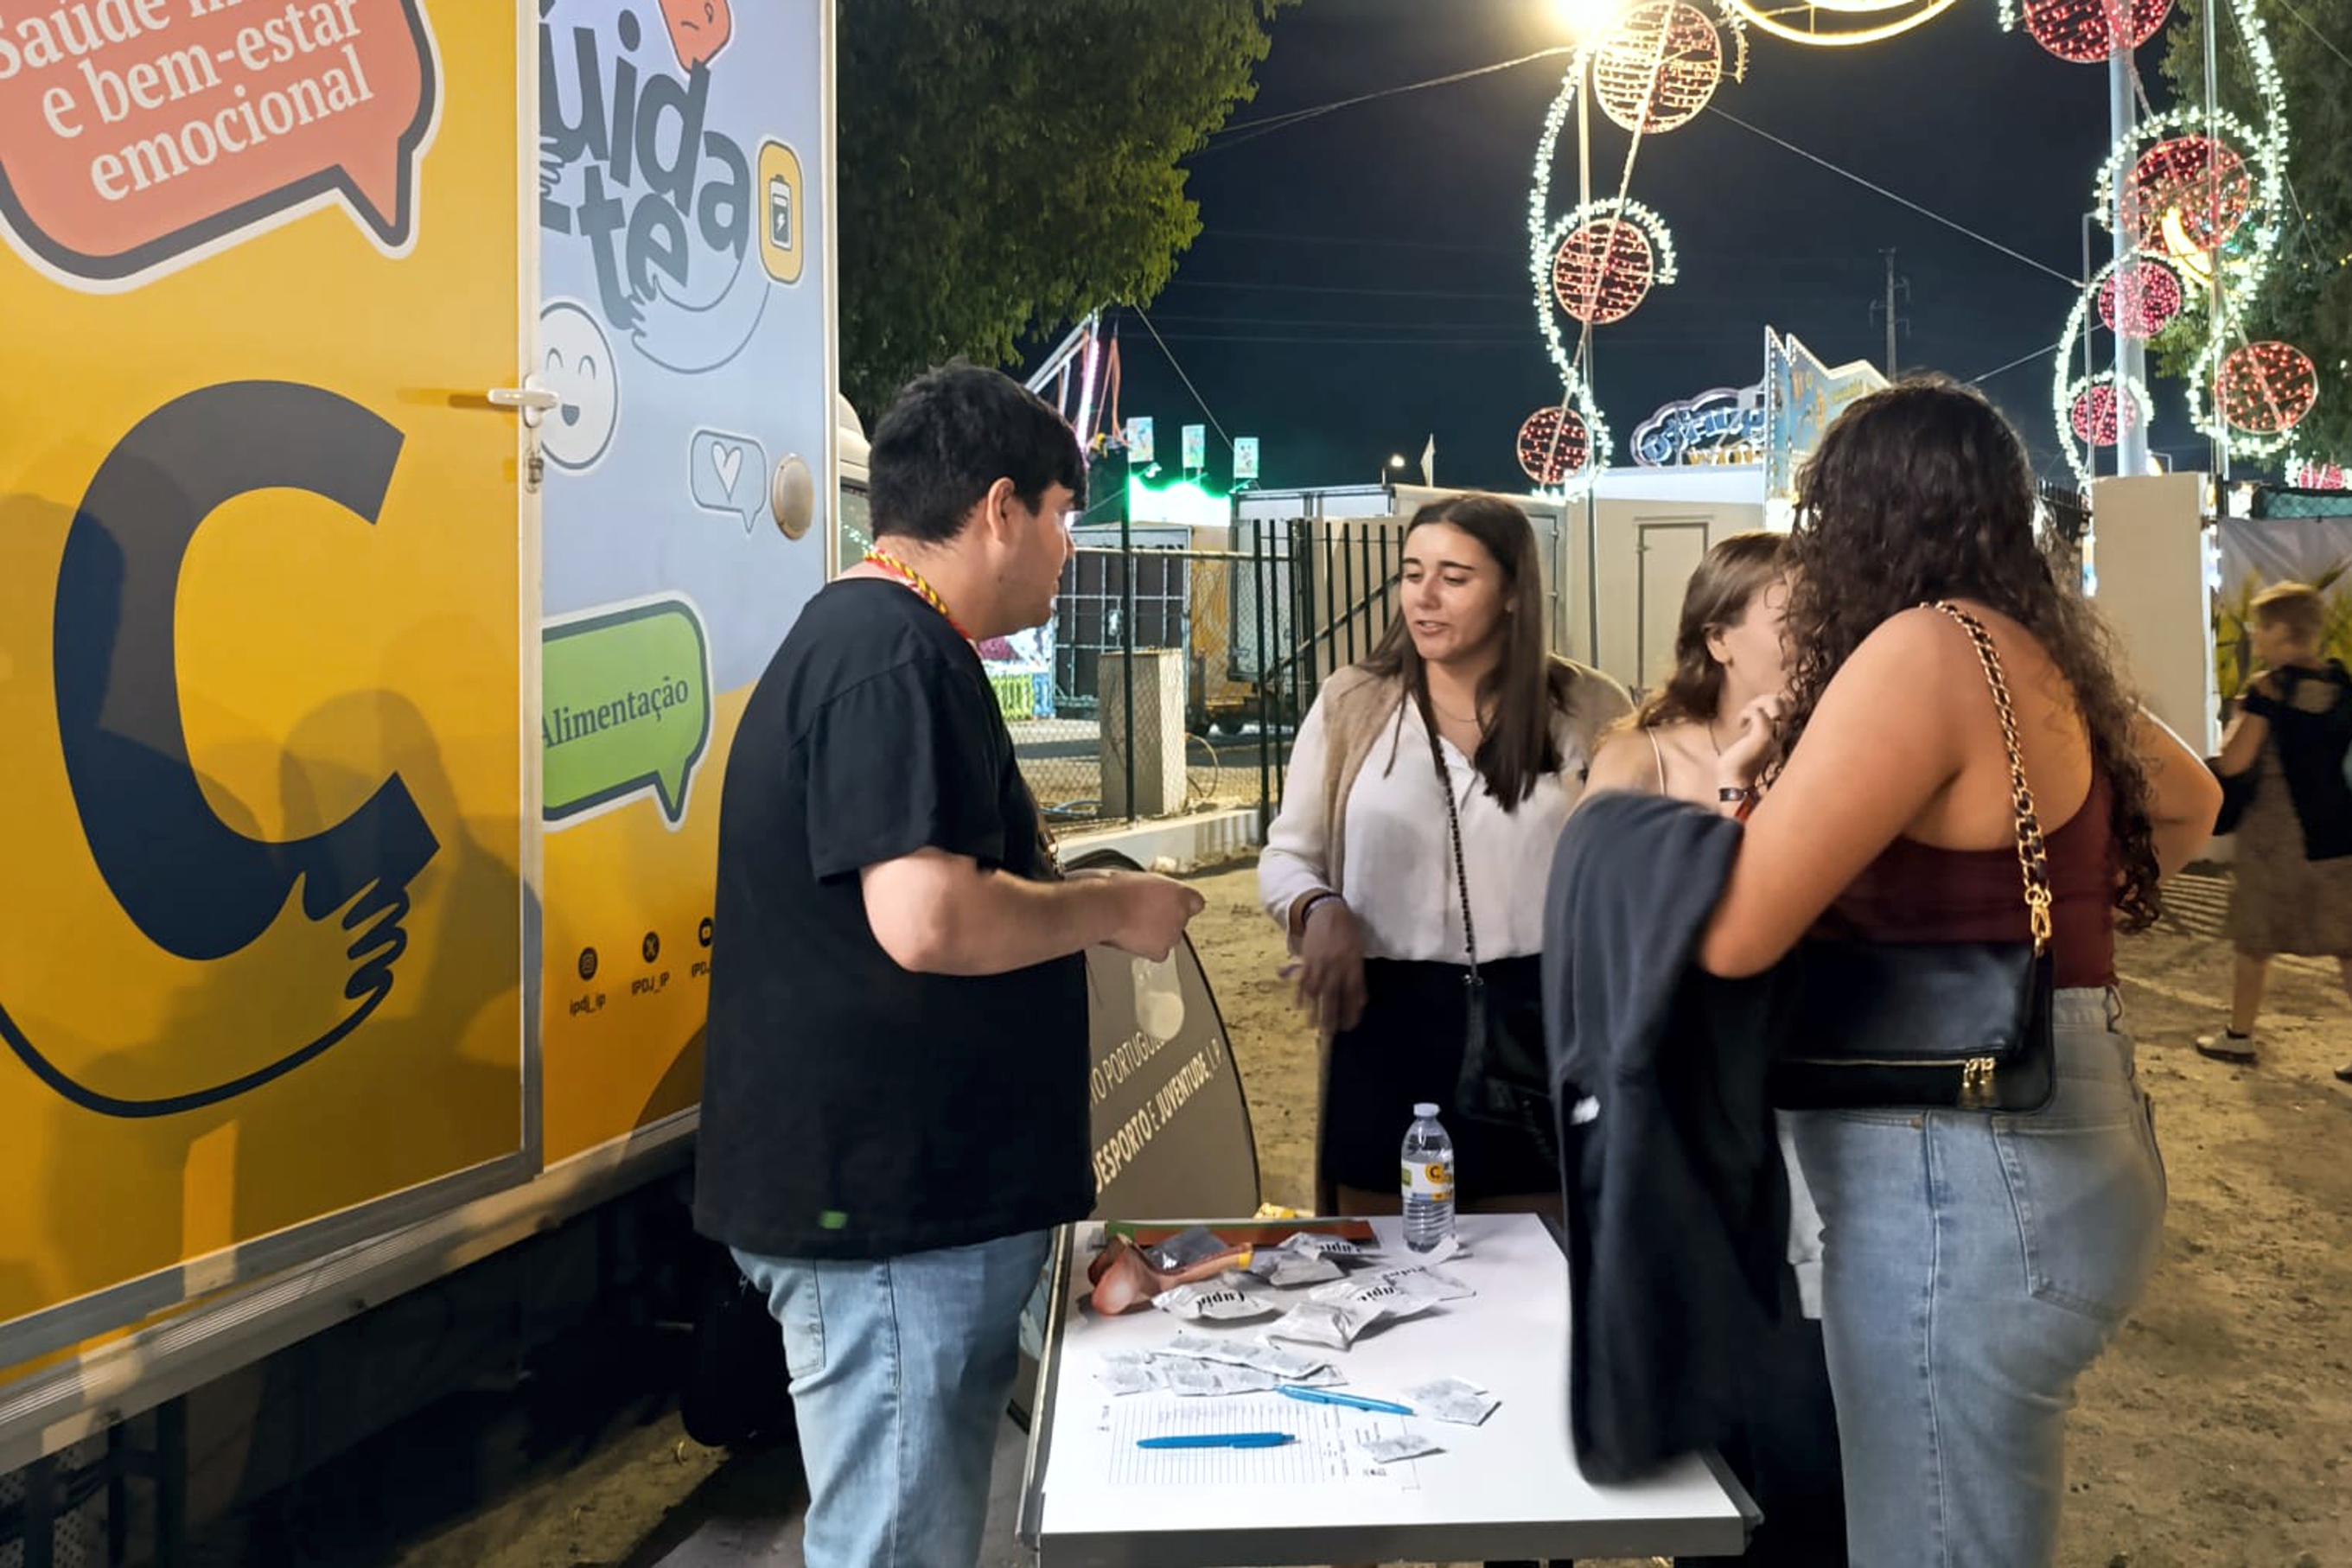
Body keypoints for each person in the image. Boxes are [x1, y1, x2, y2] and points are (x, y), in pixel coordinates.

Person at [1693, 377, 2221, 1565]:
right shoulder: (2025, 648)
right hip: (2063, 1141)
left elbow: (1733, 930)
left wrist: (1737, 781)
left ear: (1860, 515)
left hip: (1959, 1179)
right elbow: (2190, 797)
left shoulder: (1922, 649)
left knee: (1931, 1537)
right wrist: (2058, 937)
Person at [694, 363, 1204, 1567]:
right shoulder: (889, 653)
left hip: (912, 1204)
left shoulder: (887, 640)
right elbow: (928, 919)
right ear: (997, 509)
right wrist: (1107, 906)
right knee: (897, 1546)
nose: (1068, 549)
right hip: (884, 1217)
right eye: (1066, 516)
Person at [1578, 531, 1845, 1566]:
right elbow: (1614, 933)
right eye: (1795, 612)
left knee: (1807, 1380)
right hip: (1693, 1104)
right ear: (1718, 635)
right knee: (1725, 1381)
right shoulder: (1638, 754)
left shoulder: (1838, 744)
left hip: (1808, 1087)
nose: (1819, 630)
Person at [1258, 494, 1632, 1219]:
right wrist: (1319, 907)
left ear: (1515, 593)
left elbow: (1633, 865)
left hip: (1541, 1019)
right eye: (1410, 572)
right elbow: (1287, 855)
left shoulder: (1586, 709)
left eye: (1454, 577)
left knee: (1539, 1267)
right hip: (1385, 1020)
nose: (1423, 597)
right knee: (1386, 1262)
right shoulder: (1353, 703)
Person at [2193, 581, 2352, 1074]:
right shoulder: (2343, 685)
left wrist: (2238, 719)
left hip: (2277, 838)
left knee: (2255, 938)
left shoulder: (2268, 690)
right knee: (2348, 943)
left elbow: (2237, 762)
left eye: (2262, 625)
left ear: (2284, 630)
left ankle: (2239, 1036)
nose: (2255, 634)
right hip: (2338, 832)